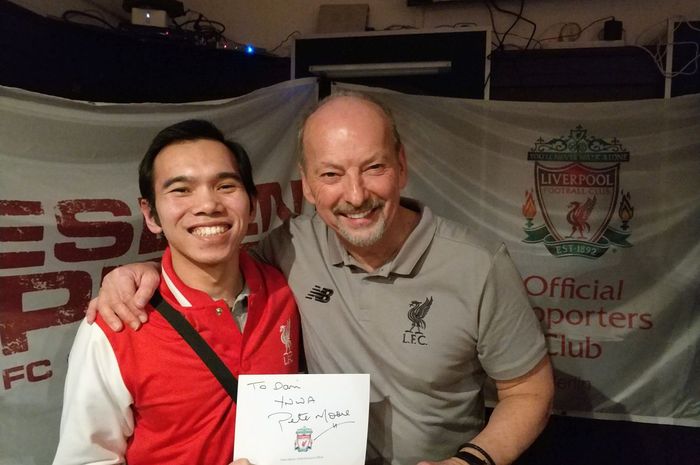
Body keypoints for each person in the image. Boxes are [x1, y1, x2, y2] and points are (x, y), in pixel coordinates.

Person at [88, 92, 554, 465]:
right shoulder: (290, 246)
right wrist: (140, 272)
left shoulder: (479, 265)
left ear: (402, 167)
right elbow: (209, 260)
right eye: (331, 174)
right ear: (307, 186)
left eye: (373, 167)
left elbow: (529, 391)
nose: (355, 195)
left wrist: (472, 461)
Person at [53, 120, 300, 465]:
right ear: (151, 214)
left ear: (253, 202)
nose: (208, 205)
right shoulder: (116, 323)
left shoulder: (284, 289)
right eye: (181, 190)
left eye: (226, 185)